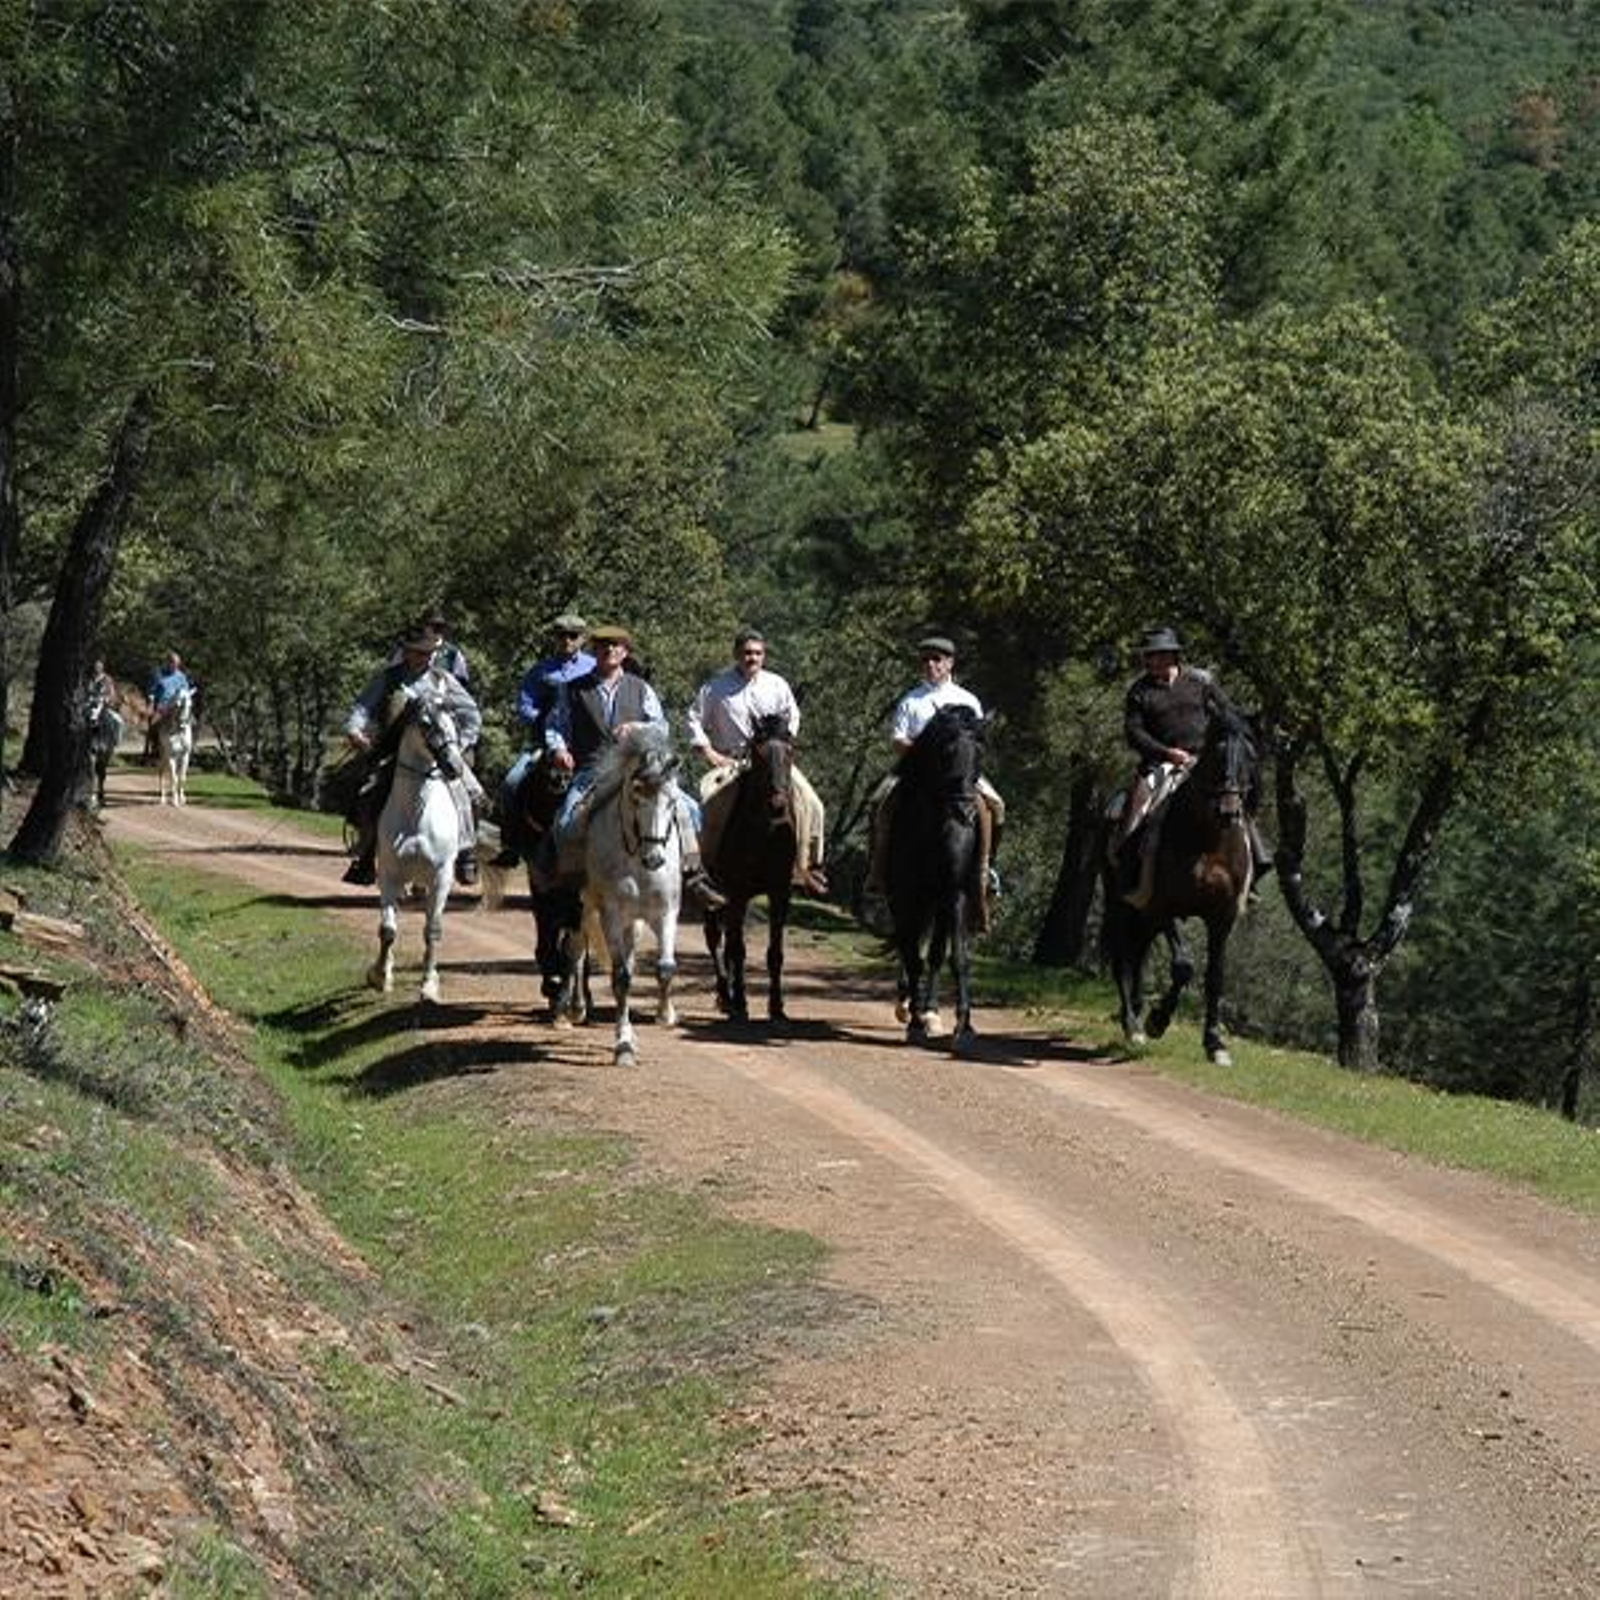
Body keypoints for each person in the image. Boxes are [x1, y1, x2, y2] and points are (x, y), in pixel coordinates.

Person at [542, 624, 725, 911]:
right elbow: (556, 724)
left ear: (625, 652)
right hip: (592, 772)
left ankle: (694, 877)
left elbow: (661, 728)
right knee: (565, 822)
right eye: (603, 645)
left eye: (616, 645)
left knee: (689, 810)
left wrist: (638, 727)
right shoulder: (573, 688)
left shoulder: (641, 689)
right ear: (594, 650)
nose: (609, 650)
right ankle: (569, 887)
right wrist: (560, 748)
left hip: (637, 771)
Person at [1114, 625, 1273, 906]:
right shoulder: (1139, 693)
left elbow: (1228, 714)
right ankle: (1130, 872)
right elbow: (1134, 733)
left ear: (1174, 656)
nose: (1153, 661)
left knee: (1233, 801)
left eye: (1159, 655)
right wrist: (1167, 753)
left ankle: (1255, 867)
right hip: (1162, 764)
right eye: (1150, 656)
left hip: (1205, 760)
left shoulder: (1201, 681)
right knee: (1137, 810)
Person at [686, 628, 828, 895]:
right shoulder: (715, 687)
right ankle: (704, 869)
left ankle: (810, 867)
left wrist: (782, 746)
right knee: (707, 801)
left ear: (764, 656)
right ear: (736, 654)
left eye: (757, 653)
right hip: (731, 762)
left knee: (813, 804)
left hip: (773, 761)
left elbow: (792, 716)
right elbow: (693, 718)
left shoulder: (777, 684)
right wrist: (709, 753)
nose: (752, 658)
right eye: (747, 652)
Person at [865, 636, 1005, 907]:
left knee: (997, 805)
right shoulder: (911, 700)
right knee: (878, 802)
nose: (930, 664)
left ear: (950, 663)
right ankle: (878, 869)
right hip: (916, 774)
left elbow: (977, 739)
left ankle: (986, 869)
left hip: (960, 775)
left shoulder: (968, 700)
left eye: (937, 659)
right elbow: (898, 740)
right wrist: (927, 754)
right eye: (925, 659)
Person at [342, 624, 483, 887]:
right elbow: (363, 706)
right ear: (406, 652)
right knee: (368, 791)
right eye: (419, 652)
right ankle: (366, 854)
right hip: (393, 752)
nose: (425, 657)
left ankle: (466, 853)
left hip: (440, 753)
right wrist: (354, 730)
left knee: (472, 792)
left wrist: (459, 746)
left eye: (428, 652)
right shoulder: (389, 678)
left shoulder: (444, 680)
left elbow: (471, 714)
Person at [491, 612, 594, 868]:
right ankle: (511, 844)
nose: (567, 641)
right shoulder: (541, 671)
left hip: (588, 744)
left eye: (573, 636)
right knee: (510, 783)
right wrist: (544, 720)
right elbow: (524, 705)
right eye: (561, 636)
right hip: (543, 743)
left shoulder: (593, 668)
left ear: (583, 639)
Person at [390, 605, 471, 687]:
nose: (438, 630)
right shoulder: (408, 648)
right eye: (434, 625)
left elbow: (462, 684)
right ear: (424, 626)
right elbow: (392, 675)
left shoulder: (453, 654)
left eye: (441, 626)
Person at [144, 650, 191, 763]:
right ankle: (155, 747)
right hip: (163, 707)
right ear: (168, 662)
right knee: (153, 724)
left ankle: (186, 746)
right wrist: (151, 704)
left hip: (178, 706)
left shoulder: (181, 677)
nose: (175, 666)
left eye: (177, 664)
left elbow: (186, 691)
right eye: (173, 663)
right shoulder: (159, 675)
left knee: (189, 719)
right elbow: (152, 692)